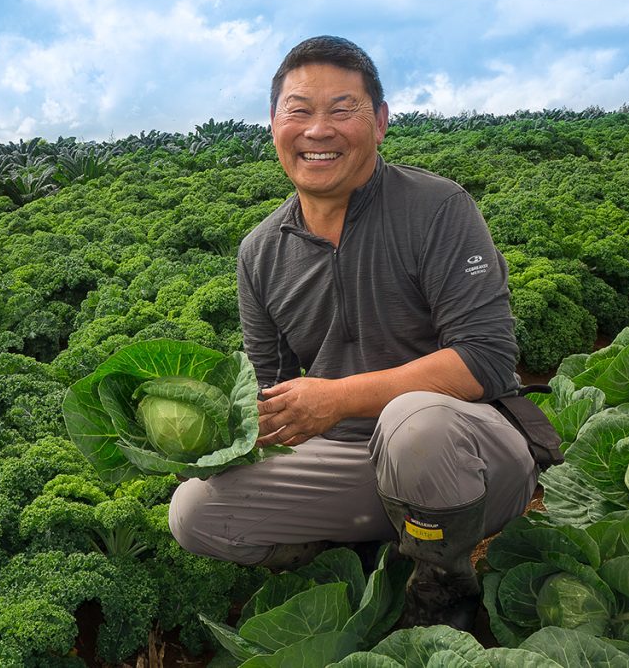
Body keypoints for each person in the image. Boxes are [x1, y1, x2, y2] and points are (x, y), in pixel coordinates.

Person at [168, 35, 540, 630]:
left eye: (343, 110)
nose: (319, 130)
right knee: (196, 513)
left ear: (381, 122)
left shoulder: (438, 208)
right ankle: (363, 552)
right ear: (273, 124)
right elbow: (267, 389)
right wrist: (197, 432)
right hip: (352, 461)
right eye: (300, 111)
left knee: (413, 423)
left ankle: (442, 592)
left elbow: (488, 360)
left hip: (468, 457)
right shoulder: (260, 252)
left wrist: (338, 398)